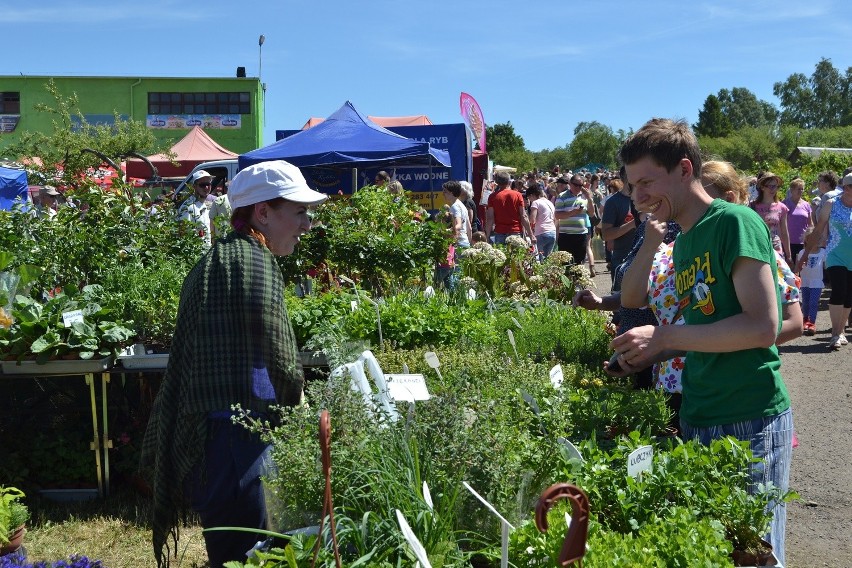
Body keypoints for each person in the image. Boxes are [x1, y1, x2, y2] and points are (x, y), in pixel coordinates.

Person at [612, 118, 793, 565]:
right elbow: (712, 329)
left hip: (748, 417)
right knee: (723, 553)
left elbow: (762, 327)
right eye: (632, 185)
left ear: (685, 169)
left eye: (647, 182)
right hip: (701, 411)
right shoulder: (688, 239)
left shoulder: (734, 222)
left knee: (755, 557)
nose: (638, 197)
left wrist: (665, 334)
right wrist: (655, 350)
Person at [140, 160, 326, 568]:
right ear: (262, 212)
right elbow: (280, 355)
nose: (307, 224)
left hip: (213, 435)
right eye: (298, 211)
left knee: (231, 549)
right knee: (249, 553)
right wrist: (301, 406)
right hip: (238, 440)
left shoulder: (216, 259)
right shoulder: (255, 262)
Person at [797, 172, 852, 349]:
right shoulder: (831, 204)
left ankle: (841, 331)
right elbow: (818, 231)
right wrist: (804, 256)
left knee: (850, 295)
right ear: (845, 187)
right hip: (834, 254)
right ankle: (835, 334)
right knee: (839, 290)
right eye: (850, 187)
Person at [600, 177, 637, 280]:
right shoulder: (613, 201)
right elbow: (606, 234)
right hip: (622, 260)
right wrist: (633, 223)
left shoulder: (647, 198)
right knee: (620, 295)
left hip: (646, 260)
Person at [751, 172, 792, 265]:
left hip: (776, 248)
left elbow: (785, 233)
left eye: (776, 186)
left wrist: (789, 256)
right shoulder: (752, 206)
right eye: (770, 186)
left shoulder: (782, 207)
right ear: (762, 187)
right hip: (758, 247)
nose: (773, 189)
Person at [484, 170, 533, 245]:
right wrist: (531, 235)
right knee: (516, 255)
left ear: (497, 182)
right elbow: (523, 216)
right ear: (509, 181)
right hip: (515, 231)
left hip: (500, 232)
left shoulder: (492, 197)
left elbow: (490, 218)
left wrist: (487, 236)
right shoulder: (517, 195)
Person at [554, 174, 590, 266]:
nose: (578, 187)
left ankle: (578, 280)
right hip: (566, 235)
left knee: (579, 263)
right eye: (576, 185)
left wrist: (589, 198)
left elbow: (591, 213)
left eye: (580, 185)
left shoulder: (584, 196)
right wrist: (573, 212)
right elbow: (557, 215)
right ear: (570, 184)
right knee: (566, 264)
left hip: (581, 235)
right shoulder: (562, 196)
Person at [796, 227, 826, 336]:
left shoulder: (823, 252)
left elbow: (826, 266)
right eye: (812, 239)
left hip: (817, 282)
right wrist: (797, 273)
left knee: (813, 303)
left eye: (818, 239)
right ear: (807, 240)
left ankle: (812, 322)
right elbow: (797, 268)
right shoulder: (802, 252)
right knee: (805, 303)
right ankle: (805, 320)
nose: (816, 242)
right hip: (805, 281)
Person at [178, 170, 215, 247]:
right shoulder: (188, 207)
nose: (206, 187)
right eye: (202, 185)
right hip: (196, 253)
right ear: (194, 186)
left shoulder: (210, 204)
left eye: (208, 184)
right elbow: (183, 233)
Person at [782, 178, 812, 260]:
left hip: (803, 242)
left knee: (801, 267)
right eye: (798, 189)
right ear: (792, 190)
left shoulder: (806, 205)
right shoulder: (785, 204)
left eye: (802, 189)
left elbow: (810, 224)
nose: (800, 191)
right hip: (788, 242)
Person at [527, 184, 556, 259]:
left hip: (541, 232)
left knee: (538, 258)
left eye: (529, 197)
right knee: (547, 259)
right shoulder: (550, 202)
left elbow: (532, 220)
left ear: (532, 195)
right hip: (552, 232)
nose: (529, 200)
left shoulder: (536, 202)